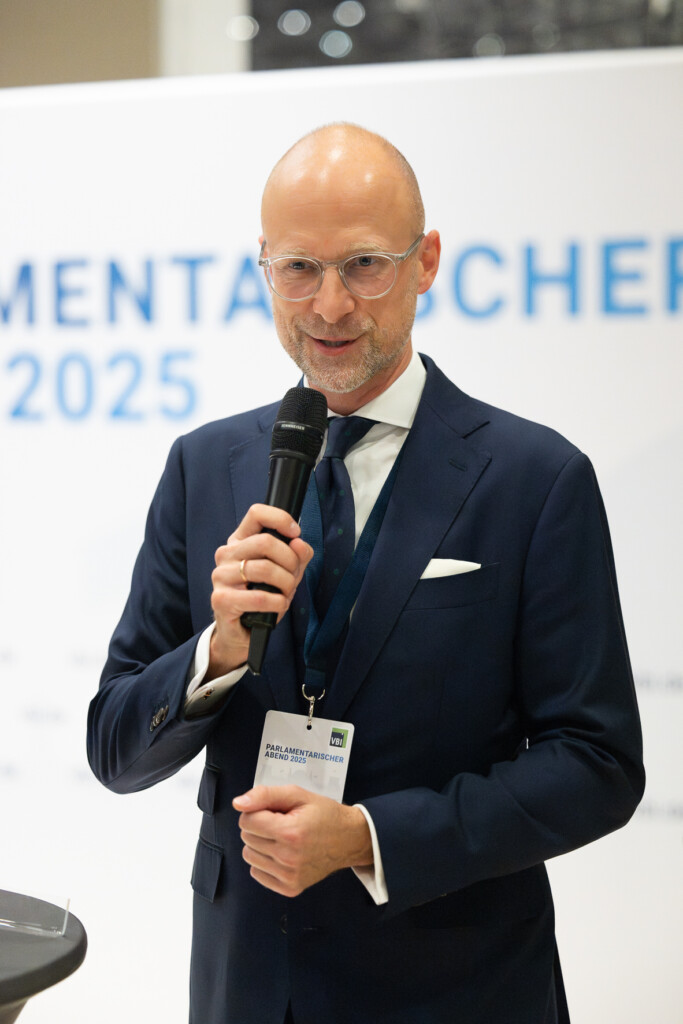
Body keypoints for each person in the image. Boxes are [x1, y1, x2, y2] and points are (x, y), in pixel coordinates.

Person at [87, 123, 644, 1024]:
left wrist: (369, 838)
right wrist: (217, 651)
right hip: (248, 985)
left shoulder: (535, 479)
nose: (330, 305)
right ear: (264, 268)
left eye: (364, 266)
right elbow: (115, 747)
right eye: (298, 269)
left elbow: (597, 764)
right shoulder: (203, 466)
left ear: (425, 262)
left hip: (457, 988)